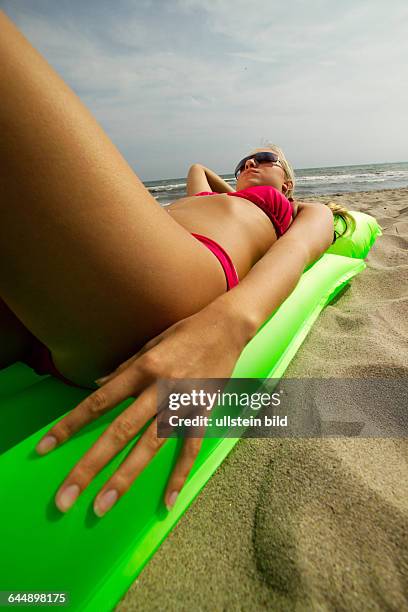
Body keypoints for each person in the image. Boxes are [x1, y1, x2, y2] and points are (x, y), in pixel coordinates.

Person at [0, 11, 354, 518]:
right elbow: (197, 170)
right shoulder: (218, 195)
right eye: (244, 161)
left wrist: (228, 326)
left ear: (289, 181)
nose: (250, 164)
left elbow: (303, 249)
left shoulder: (301, 211)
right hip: (93, 285)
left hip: (166, 288)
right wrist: (235, 186)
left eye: (263, 158)